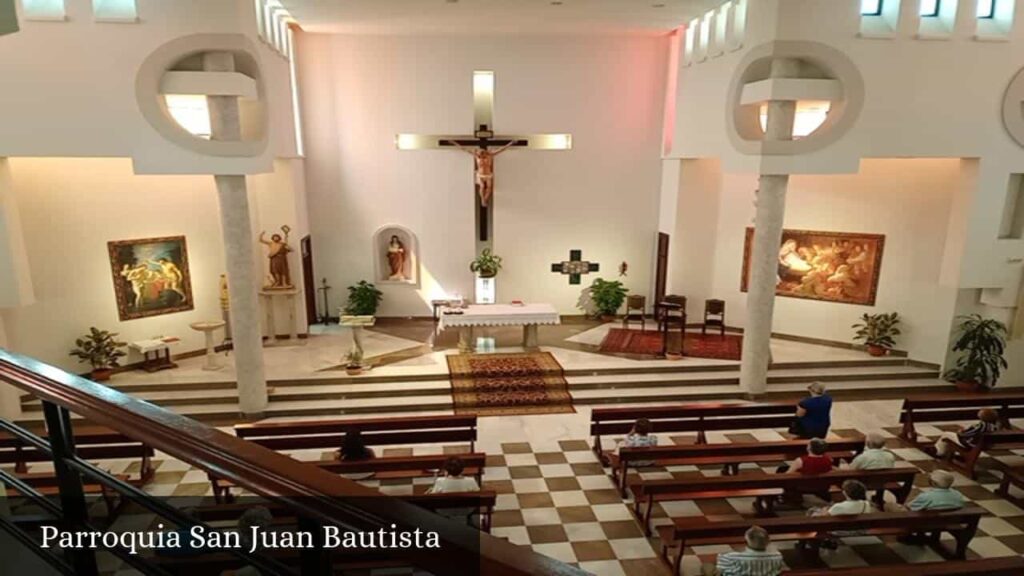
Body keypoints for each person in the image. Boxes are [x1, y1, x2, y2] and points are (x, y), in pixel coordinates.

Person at [428, 456, 481, 527]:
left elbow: (432, 497)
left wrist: (429, 492)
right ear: (462, 470)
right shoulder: (470, 481)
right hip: (466, 510)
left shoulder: (440, 481)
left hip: (445, 510)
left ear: (446, 470)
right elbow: (478, 495)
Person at [713, 525, 784, 576]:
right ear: (768, 541)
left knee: (707, 567)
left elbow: (721, 570)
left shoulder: (730, 557)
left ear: (747, 539)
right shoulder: (777, 556)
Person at [934, 408, 1001, 458]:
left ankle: (939, 453)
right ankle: (949, 452)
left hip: (969, 444)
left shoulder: (980, 426)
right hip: (984, 444)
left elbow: (965, 434)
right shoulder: (994, 427)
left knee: (945, 434)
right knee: (950, 436)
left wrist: (961, 431)